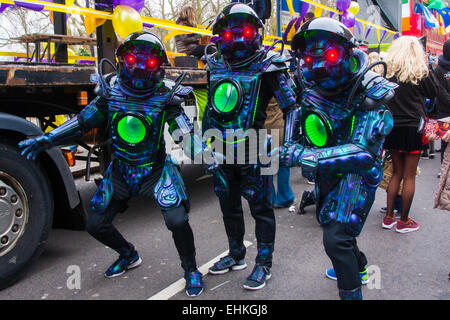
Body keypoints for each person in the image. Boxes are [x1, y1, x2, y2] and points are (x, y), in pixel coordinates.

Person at [18, 32, 205, 297]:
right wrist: (48, 138)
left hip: (155, 170)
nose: (139, 66)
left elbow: (183, 134)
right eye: (133, 58)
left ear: (159, 65)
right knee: (96, 224)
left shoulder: (166, 95)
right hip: (121, 170)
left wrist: (208, 153)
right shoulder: (111, 91)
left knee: (177, 220)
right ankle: (128, 254)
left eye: (147, 61)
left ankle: (191, 270)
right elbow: (84, 121)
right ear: (122, 60)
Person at [282, 17, 397, 300]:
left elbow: (363, 152)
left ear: (345, 51)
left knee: (336, 239)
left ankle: (351, 290)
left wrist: (308, 155)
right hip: (327, 171)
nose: (318, 62)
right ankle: (358, 266)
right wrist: (289, 145)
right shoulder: (309, 85)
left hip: (357, 171)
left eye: (328, 53)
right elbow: (297, 113)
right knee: (331, 225)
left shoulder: (369, 88)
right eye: (311, 54)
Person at [203, 3, 298, 290]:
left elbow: (292, 107)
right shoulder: (217, 64)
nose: (235, 37)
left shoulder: (269, 65)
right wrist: (206, 143)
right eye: (229, 32)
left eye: (241, 30)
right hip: (221, 147)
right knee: (229, 206)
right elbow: (212, 108)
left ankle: (264, 263)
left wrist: (290, 144)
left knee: (261, 209)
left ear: (254, 31)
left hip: (256, 146)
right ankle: (236, 254)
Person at [382, 36, 438, 233]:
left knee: (396, 172)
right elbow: (434, 92)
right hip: (414, 127)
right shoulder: (419, 72)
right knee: (409, 176)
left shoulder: (388, 72)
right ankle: (403, 220)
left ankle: (388, 217)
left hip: (392, 126)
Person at [265, 97, 295, 208]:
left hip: (261, 125)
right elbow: (290, 101)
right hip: (277, 124)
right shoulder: (278, 81)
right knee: (283, 162)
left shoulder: (253, 80)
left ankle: (269, 198)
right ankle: (284, 197)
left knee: (265, 164)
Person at [433, 39, 450, 170]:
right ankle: (443, 168)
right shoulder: (439, 68)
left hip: (444, 108)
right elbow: (439, 90)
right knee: (444, 140)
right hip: (444, 110)